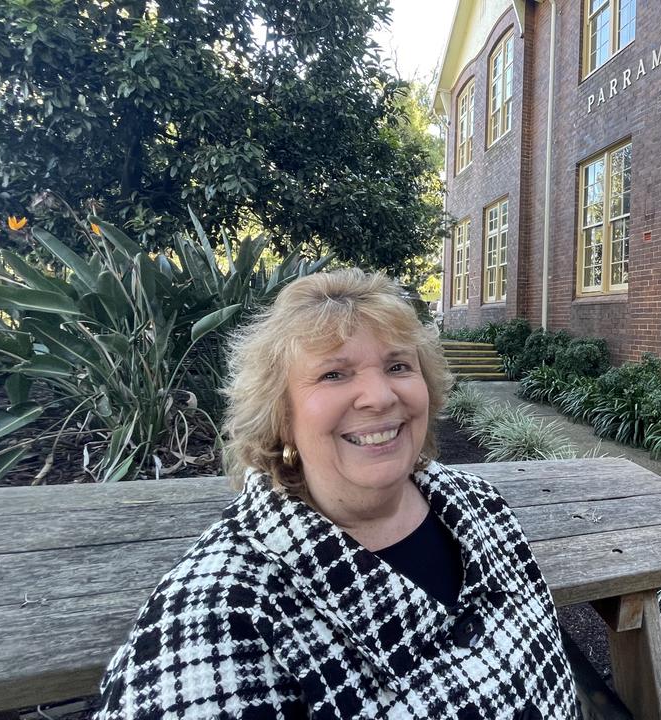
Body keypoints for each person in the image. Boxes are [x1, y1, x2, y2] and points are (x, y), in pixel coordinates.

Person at [96, 268, 578, 719]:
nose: (381, 396)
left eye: (398, 366)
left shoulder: (480, 507)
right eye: (334, 374)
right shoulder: (217, 615)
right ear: (281, 415)